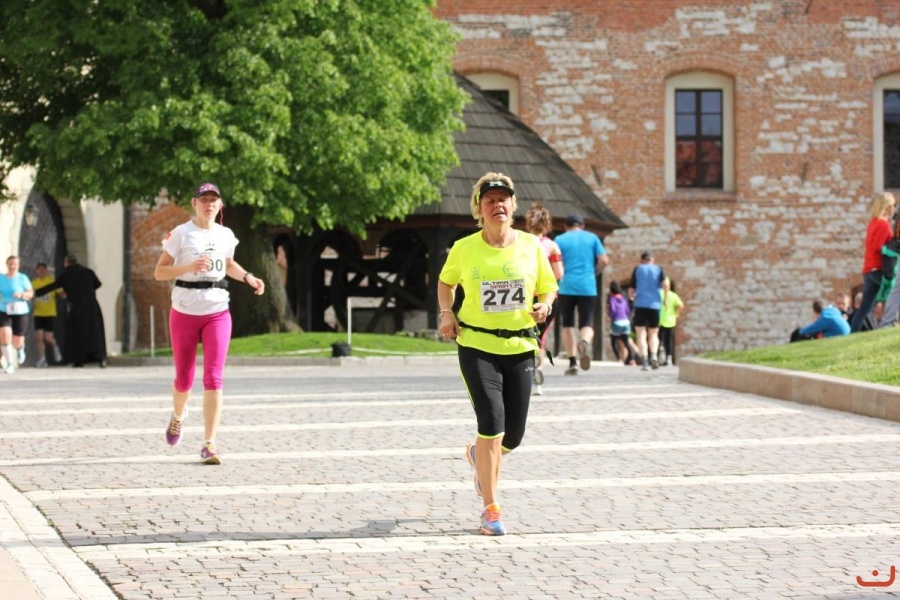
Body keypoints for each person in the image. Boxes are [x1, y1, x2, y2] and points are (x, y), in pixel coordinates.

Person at [437, 172, 557, 536]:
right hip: (477, 344)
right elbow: (446, 282)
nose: (498, 205)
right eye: (490, 200)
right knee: (491, 423)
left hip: (520, 346)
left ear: (513, 205)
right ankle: (491, 509)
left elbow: (548, 288)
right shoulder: (464, 248)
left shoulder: (531, 246)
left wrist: (545, 305)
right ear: (479, 209)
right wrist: (447, 313)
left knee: (513, 435)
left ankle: (479, 457)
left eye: (504, 199)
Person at [153, 183, 266, 465]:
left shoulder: (225, 234)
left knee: (214, 378)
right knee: (184, 379)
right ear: (194, 203)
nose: (209, 204)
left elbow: (228, 264)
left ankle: (209, 444)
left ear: (220, 205)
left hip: (217, 310)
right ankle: (178, 416)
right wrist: (188, 268)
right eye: (204, 200)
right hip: (185, 310)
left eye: (214, 200)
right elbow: (159, 272)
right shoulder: (181, 233)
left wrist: (248, 277)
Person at [554, 213, 609, 375]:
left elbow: (555, 262)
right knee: (587, 322)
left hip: (566, 285)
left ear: (565, 226)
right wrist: (594, 272)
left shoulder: (560, 239)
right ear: (583, 225)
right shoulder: (592, 238)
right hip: (587, 285)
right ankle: (584, 341)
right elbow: (604, 260)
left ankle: (572, 362)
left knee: (567, 324)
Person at [34, 255, 107, 367]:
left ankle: (79, 360)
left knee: (77, 333)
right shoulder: (88, 272)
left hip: (77, 307)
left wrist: (36, 293)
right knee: (95, 332)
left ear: (66, 263)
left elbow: (53, 286)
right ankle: (100, 358)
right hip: (92, 306)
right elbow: (98, 284)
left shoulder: (65, 275)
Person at [524, 201, 564, 395]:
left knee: (523, 335)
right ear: (547, 224)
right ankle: (538, 372)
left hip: (525, 296)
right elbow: (559, 273)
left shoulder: (522, 243)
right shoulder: (552, 246)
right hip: (547, 298)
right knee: (540, 337)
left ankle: (526, 372)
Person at [850, 192, 895, 332]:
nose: (894, 208)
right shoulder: (883, 225)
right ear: (887, 207)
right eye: (892, 205)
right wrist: (892, 249)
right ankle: (889, 323)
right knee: (894, 294)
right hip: (878, 269)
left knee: (865, 307)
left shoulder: (873, 223)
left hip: (869, 269)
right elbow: (877, 247)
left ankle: (853, 333)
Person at [629, 251, 665, 370]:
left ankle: (644, 360)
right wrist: (665, 299)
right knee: (654, 333)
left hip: (640, 304)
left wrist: (632, 299)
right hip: (655, 305)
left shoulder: (637, 269)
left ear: (641, 260)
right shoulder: (659, 269)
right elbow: (665, 285)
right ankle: (653, 355)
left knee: (640, 333)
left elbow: (631, 290)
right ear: (652, 260)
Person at [0, 256, 33, 373]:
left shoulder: (22, 278)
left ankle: (20, 348)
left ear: (18, 265)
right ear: (7, 264)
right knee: (5, 335)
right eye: (10, 264)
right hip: (4, 309)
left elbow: (30, 293)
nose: (12, 266)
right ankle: (10, 364)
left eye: (14, 264)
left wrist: (22, 295)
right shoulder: (1, 278)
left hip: (20, 311)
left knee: (16, 342)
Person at [31, 262, 64, 367]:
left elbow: (61, 294)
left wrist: (64, 292)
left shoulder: (51, 282)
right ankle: (42, 359)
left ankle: (55, 347)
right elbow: (30, 294)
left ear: (46, 271)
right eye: (39, 269)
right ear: (37, 271)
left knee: (48, 338)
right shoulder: (34, 283)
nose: (41, 271)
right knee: (39, 337)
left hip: (49, 313)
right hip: (38, 313)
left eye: (43, 269)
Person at [607, 281, 638, 366]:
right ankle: (632, 360)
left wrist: (611, 316)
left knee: (613, 342)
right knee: (626, 342)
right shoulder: (623, 299)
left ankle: (619, 359)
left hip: (616, 321)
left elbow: (612, 309)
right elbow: (627, 311)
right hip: (626, 322)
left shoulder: (612, 298)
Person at [658, 277, 684, 366]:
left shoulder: (659, 293)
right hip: (669, 321)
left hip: (661, 321)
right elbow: (681, 305)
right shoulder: (673, 295)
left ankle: (661, 355)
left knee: (660, 340)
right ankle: (668, 357)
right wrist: (676, 314)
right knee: (668, 341)